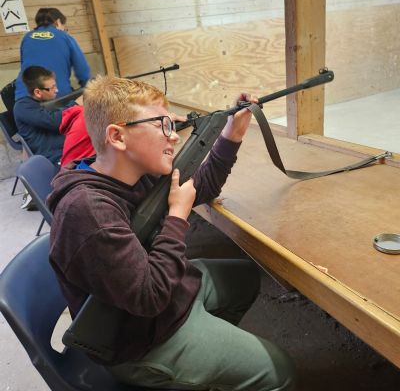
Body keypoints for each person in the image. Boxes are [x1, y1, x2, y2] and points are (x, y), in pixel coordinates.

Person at [48, 76, 296, 391]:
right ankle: (181, 367)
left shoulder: (130, 172)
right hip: (139, 340)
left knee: (245, 276)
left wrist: (232, 132)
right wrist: (177, 216)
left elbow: (200, 187)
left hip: (161, 298)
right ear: (118, 136)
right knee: (279, 372)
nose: (174, 136)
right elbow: (150, 297)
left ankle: (206, 363)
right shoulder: (88, 212)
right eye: (162, 125)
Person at [15, 7, 90, 101]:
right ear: (57, 22)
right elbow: (82, 71)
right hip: (57, 97)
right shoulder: (65, 37)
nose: (64, 29)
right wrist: (88, 89)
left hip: (25, 97)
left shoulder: (27, 38)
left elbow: (24, 66)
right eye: (64, 26)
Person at [13, 65, 81, 165]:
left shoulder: (46, 101)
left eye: (55, 86)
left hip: (69, 147)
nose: (56, 90)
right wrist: (75, 104)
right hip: (54, 157)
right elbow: (54, 121)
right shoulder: (22, 107)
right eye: (51, 88)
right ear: (37, 92)